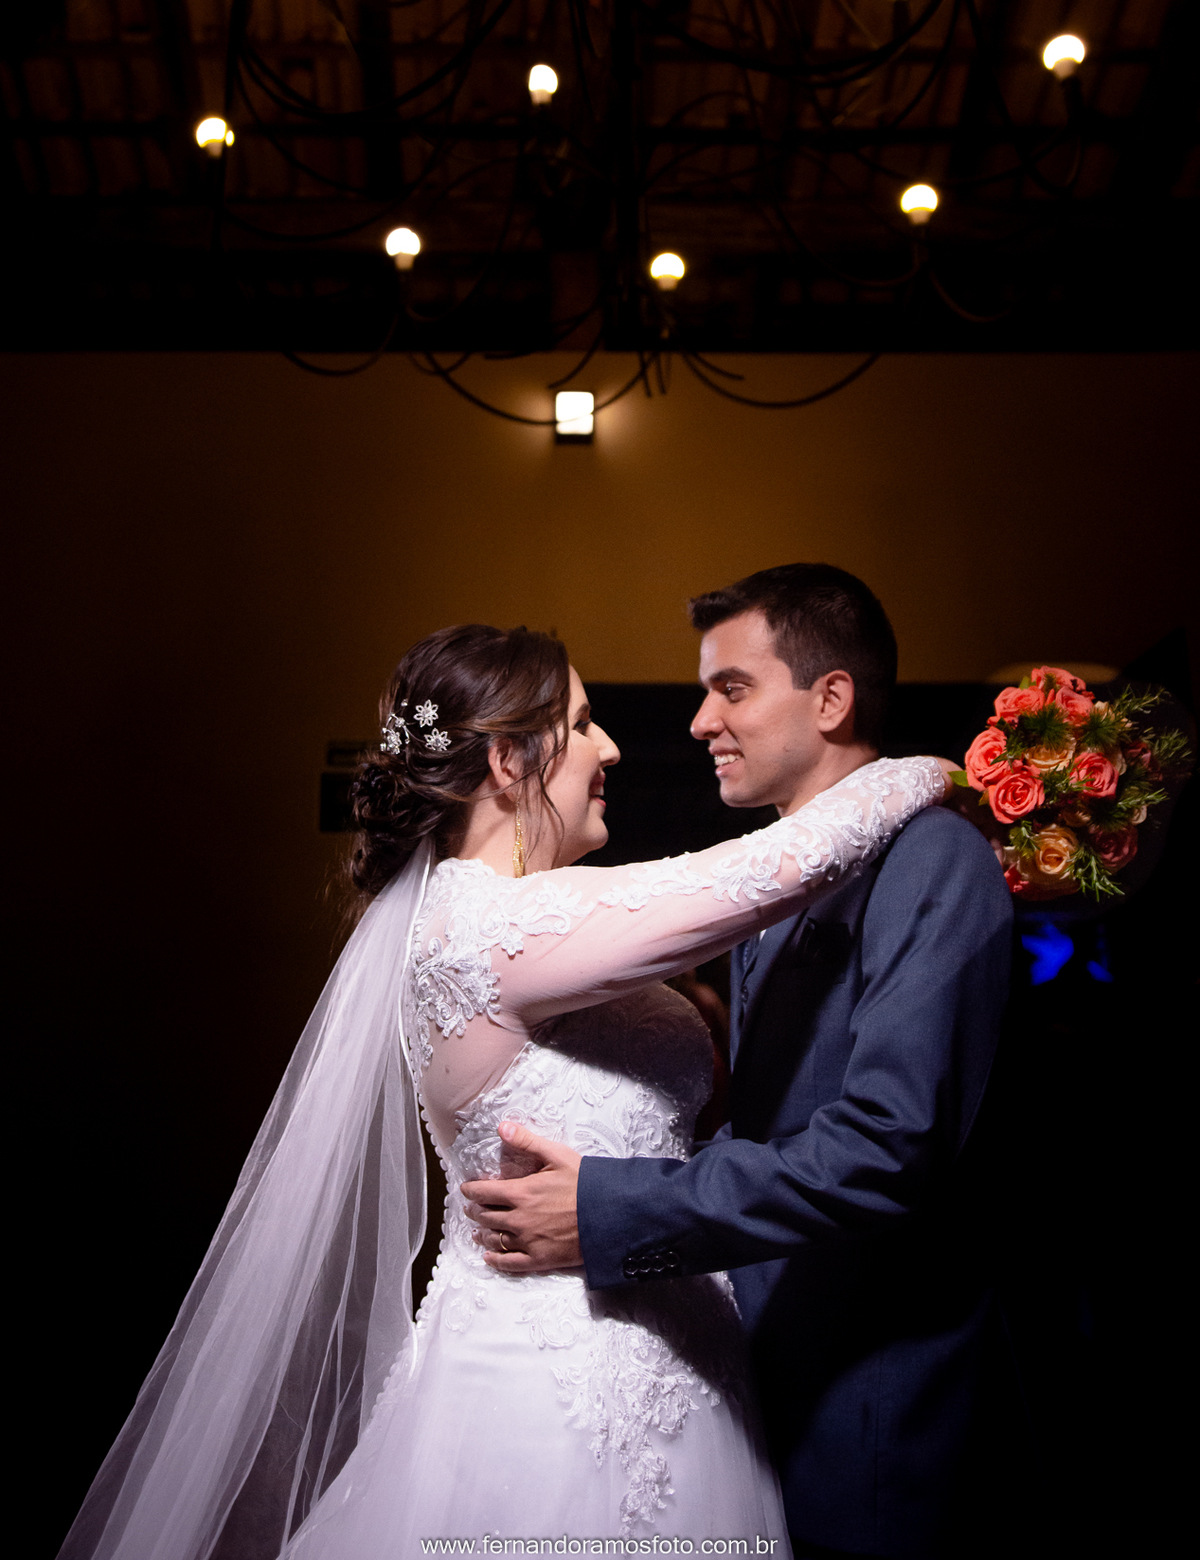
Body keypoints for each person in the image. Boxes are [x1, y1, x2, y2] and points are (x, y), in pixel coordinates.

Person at [59, 621, 951, 1560]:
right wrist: (931, 775)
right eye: (583, 721)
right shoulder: (484, 925)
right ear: (506, 760)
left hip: (682, 1360)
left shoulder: (546, 923)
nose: (610, 749)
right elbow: (771, 871)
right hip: (550, 1381)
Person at [462, 570, 1014, 1560]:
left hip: (873, 1395)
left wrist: (613, 1209)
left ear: (832, 699)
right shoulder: (771, 879)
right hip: (759, 1371)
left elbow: (888, 1147)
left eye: (732, 688)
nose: (698, 722)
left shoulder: (933, 859)